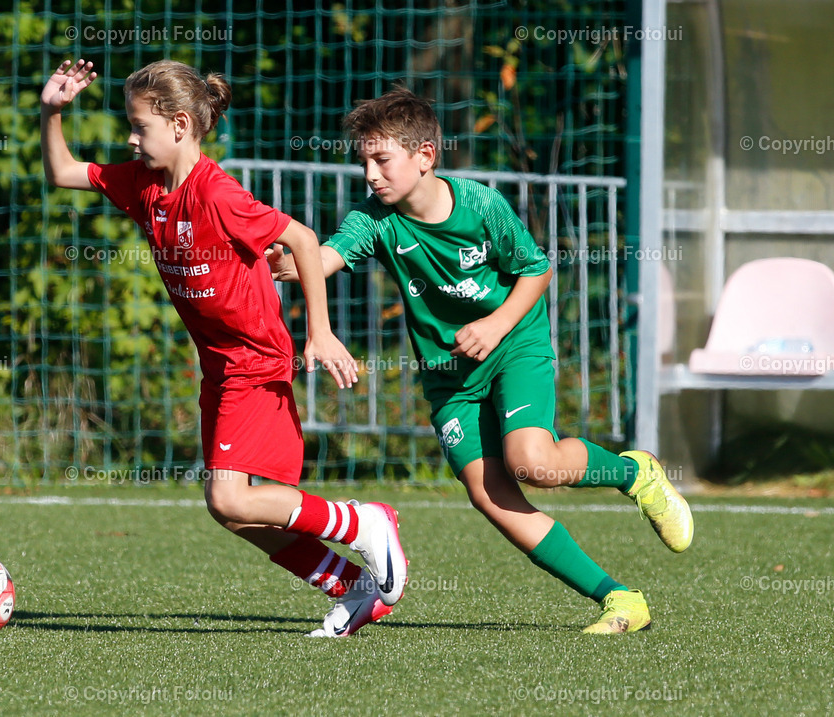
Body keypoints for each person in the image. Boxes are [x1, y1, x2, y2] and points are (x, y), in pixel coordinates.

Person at [269, 86, 693, 634]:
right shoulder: (375, 218)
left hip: (513, 341)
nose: (371, 175)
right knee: (490, 493)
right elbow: (327, 254)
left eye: (382, 160)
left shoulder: (481, 206)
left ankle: (635, 473)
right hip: (450, 377)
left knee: (531, 461)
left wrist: (495, 325)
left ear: (425, 156)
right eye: (364, 162)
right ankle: (621, 599)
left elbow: (536, 270)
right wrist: (295, 261)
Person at [40, 58, 408, 637]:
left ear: (181, 125)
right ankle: (352, 587)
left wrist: (320, 331)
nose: (130, 139)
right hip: (220, 368)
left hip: (254, 364)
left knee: (231, 498)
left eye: (139, 126)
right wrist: (51, 112)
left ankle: (366, 523)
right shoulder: (146, 185)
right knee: (230, 511)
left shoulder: (217, 194)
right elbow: (63, 171)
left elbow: (304, 239)